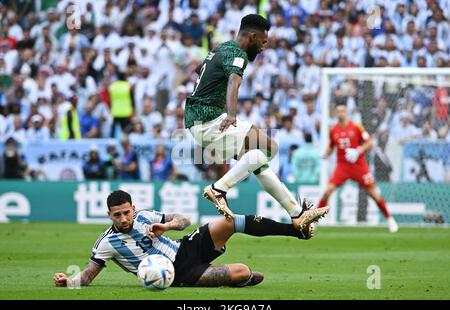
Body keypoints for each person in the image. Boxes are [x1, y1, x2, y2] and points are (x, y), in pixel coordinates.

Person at [184, 14, 328, 235]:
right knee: (270, 147)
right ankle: (218, 189)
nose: (263, 47)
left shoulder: (220, 49)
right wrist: (231, 114)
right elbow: (233, 81)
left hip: (196, 122)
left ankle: (296, 214)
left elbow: (199, 74)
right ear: (252, 37)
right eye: (263, 41)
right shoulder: (238, 54)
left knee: (256, 160)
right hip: (210, 120)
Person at [53, 189, 317, 288]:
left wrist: (166, 226)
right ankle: (237, 279)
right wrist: (69, 282)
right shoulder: (106, 243)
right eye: (116, 215)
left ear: (133, 209)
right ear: (109, 215)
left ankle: (297, 230)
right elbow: (87, 276)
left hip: (185, 246)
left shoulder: (145, 216)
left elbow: (184, 220)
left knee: (231, 221)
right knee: (243, 272)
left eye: (126, 212)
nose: (122, 218)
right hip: (178, 274)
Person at [318, 100, 399, 233]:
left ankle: (390, 219)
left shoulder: (356, 127)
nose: (340, 113)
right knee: (327, 191)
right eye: (338, 111)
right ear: (335, 113)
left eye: (343, 111)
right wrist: (324, 155)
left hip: (359, 166)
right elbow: (331, 147)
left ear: (347, 112)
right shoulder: (333, 130)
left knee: (373, 193)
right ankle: (315, 221)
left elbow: (369, 143)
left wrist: (358, 150)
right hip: (342, 167)